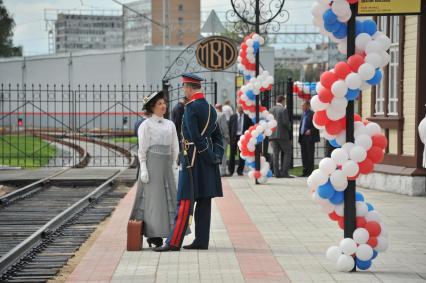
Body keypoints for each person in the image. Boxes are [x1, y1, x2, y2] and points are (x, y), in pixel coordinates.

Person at [154, 73, 224, 252]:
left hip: (192, 159)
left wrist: (206, 155)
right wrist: (215, 156)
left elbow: (194, 136)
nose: (183, 90)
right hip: (207, 162)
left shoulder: (191, 108)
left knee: (185, 201)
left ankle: (173, 242)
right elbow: (218, 137)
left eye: (184, 87)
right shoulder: (210, 108)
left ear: (190, 88)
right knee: (204, 201)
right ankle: (201, 241)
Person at [129, 91, 179, 249]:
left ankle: (171, 233)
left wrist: (175, 165)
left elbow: (174, 147)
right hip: (152, 166)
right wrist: (143, 168)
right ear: (152, 107)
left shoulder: (170, 124)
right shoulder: (146, 125)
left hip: (167, 165)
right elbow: (141, 150)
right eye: (159, 104)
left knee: (169, 199)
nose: (163, 106)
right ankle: (153, 235)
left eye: (164, 103)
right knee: (153, 201)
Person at [269, 95, 293, 178]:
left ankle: (276, 173)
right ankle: (284, 172)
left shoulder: (271, 110)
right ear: (283, 101)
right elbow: (286, 123)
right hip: (282, 135)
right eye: (285, 101)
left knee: (275, 154)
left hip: (272, 135)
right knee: (288, 152)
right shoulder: (283, 110)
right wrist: (290, 127)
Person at [228, 105, 253, 176]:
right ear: (237, 109)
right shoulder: (233, 117)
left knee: (242, 154)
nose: (240, 109)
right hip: (234, 137)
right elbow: (230, 128)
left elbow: (250, 127)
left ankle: (240, 170)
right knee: (232, 154)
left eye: (242, 108)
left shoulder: (247, 117)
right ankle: (231, 170)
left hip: (243, 137)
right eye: (239, 108)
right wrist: (230, 138)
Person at [298, 100, 320, 177]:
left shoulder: (313, 114)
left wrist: (310, 130)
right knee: (304, 155)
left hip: (310, 138)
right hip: (303, 137)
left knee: (310, 155)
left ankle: (310, 172)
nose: (301, 107)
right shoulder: (303, 114)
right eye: (301, 106)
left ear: (308, 106)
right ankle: (305, 172)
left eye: (303, 105)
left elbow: (317, 126)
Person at [215, 103, 230, 177]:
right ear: (221, 107)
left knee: (216, 154)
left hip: (214, 138)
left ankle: (216, 170)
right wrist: (227, 136)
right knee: (223, 155)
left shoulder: (212, 114)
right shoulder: (222, 115)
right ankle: (223, 171)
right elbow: (224, 127)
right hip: (222, 138)